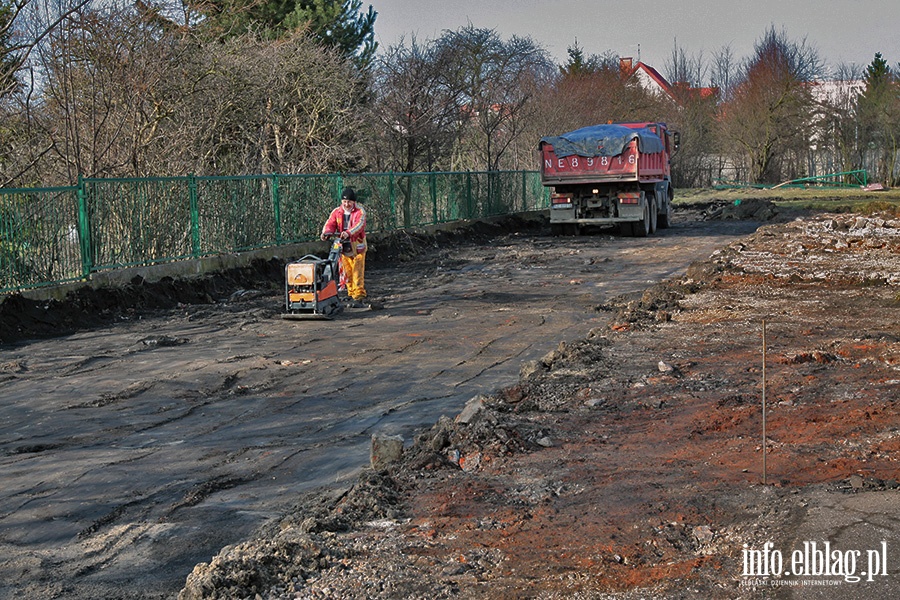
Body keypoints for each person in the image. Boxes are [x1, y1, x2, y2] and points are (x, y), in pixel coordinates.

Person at [320, 187, 368, 304]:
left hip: (357, 246)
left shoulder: (360, 212)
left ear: (354, 202)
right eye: (344, 201)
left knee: (357, 272)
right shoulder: (337, 212)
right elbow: (330, 223)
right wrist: (326, 233)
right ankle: (351, 293)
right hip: (344, 246)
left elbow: (359, 225)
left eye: (349, 202)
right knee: (347, 271)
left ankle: (359, 296)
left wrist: (348, 233)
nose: (346, 204)